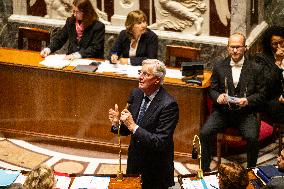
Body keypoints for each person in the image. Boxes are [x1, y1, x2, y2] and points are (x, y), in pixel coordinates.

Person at [200, 33, 266, 171]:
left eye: (238, 47)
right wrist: (218, 97)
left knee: (252, 137)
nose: (235, 50)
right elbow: (212, 89)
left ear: (245, 48)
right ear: (227, 48)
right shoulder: (219, 66)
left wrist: (248, 100)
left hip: (245, 113)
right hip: (223, 112)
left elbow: (262, 94)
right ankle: (204, 170)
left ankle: (251, 171)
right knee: (204, 133)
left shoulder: (255, 68)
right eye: (232, 47)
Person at [108, 59, 179, 189]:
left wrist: (133, 126)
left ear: (157, 79)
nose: (140, 77)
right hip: (135, 161)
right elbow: (127, 129)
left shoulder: (168, 105)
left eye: (146, 74)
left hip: (155, 168)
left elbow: (160, 142)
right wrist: (117, 123)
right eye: (140, 72)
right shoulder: (136, 94)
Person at [40, 0, 105, 60]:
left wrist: (76, 55)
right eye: (73, 11)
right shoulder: (70, 21)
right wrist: (49, 49)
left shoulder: (98, 26)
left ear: (86, 12)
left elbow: (95, 48)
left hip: (90, 61)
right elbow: (59, 39)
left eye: (77, 12)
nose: (74, 14)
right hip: (71, 61)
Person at [254, 26, 284, 125]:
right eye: (275, 44)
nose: (279, 46)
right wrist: (278, 61)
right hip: (273, 98)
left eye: (282, 42)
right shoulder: (261, 59)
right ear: (269, 44)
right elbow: (268, 84)